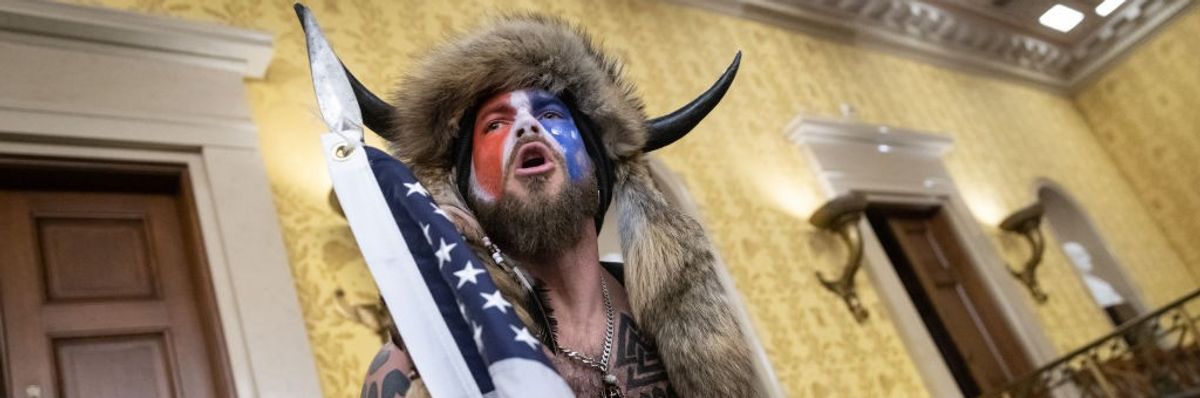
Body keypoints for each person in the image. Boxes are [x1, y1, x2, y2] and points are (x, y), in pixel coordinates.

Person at [348, 15, 756, 397]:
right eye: (495, 124)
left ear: (597, 163)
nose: (528, 126)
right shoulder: (412, 362)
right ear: (464, 187)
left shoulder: (683, 324)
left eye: (550, 114)